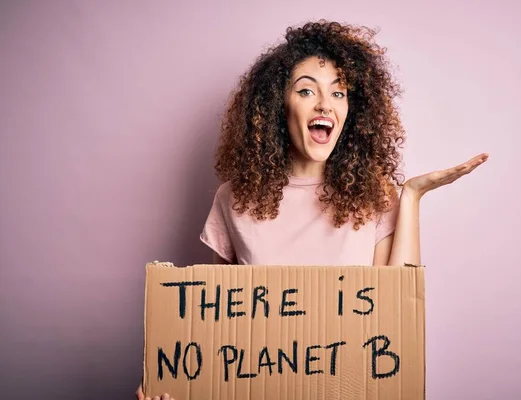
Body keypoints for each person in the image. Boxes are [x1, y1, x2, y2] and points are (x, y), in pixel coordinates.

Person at [136, 19, 487, 400]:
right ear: (277, 106)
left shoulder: (375, 196)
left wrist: (412, 198)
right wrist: (174, 387)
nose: (325, 104)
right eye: (307, 91)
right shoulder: (233, 199)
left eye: (339, 94)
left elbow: (395, 313)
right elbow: (218, 328)